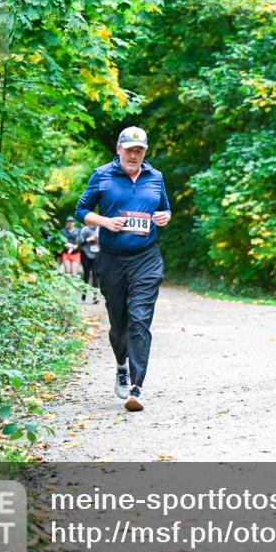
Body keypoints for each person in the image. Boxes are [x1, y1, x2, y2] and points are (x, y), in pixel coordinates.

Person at [75, 126, 171, 412]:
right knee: (119, 325)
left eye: (139, 150)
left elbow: (164, 208)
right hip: (112, 259)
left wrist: (165, 216)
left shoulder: (156, 177)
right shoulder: (102, 175)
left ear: (145, 152)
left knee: (140, 321)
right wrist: (105, 222)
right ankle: (121, 365)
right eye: (129, 149)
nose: (133, 154)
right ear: (118, 149)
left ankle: (136, 388)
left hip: (146, 258)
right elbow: (81, 211)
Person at [79, 223, 100, 304]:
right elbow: (79, 242)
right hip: (85, 254)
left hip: (96, 253)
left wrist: (98, 239)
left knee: (96, 275)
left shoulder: (99, 229)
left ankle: (95, 296)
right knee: (86, 275)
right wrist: (89, 239)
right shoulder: (85, 229)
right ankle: (84, 294)